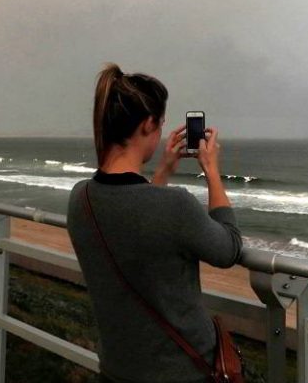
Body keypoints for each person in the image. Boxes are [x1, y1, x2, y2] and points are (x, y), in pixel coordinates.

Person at [67, 63, 242, 383]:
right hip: (182, 373)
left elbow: (138, 217)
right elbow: (228, 248)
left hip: (117, 370)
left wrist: (163, 171)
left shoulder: (81, 199)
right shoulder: (175, 205)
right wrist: (212, 170)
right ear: (148, 125)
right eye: (160, 124)